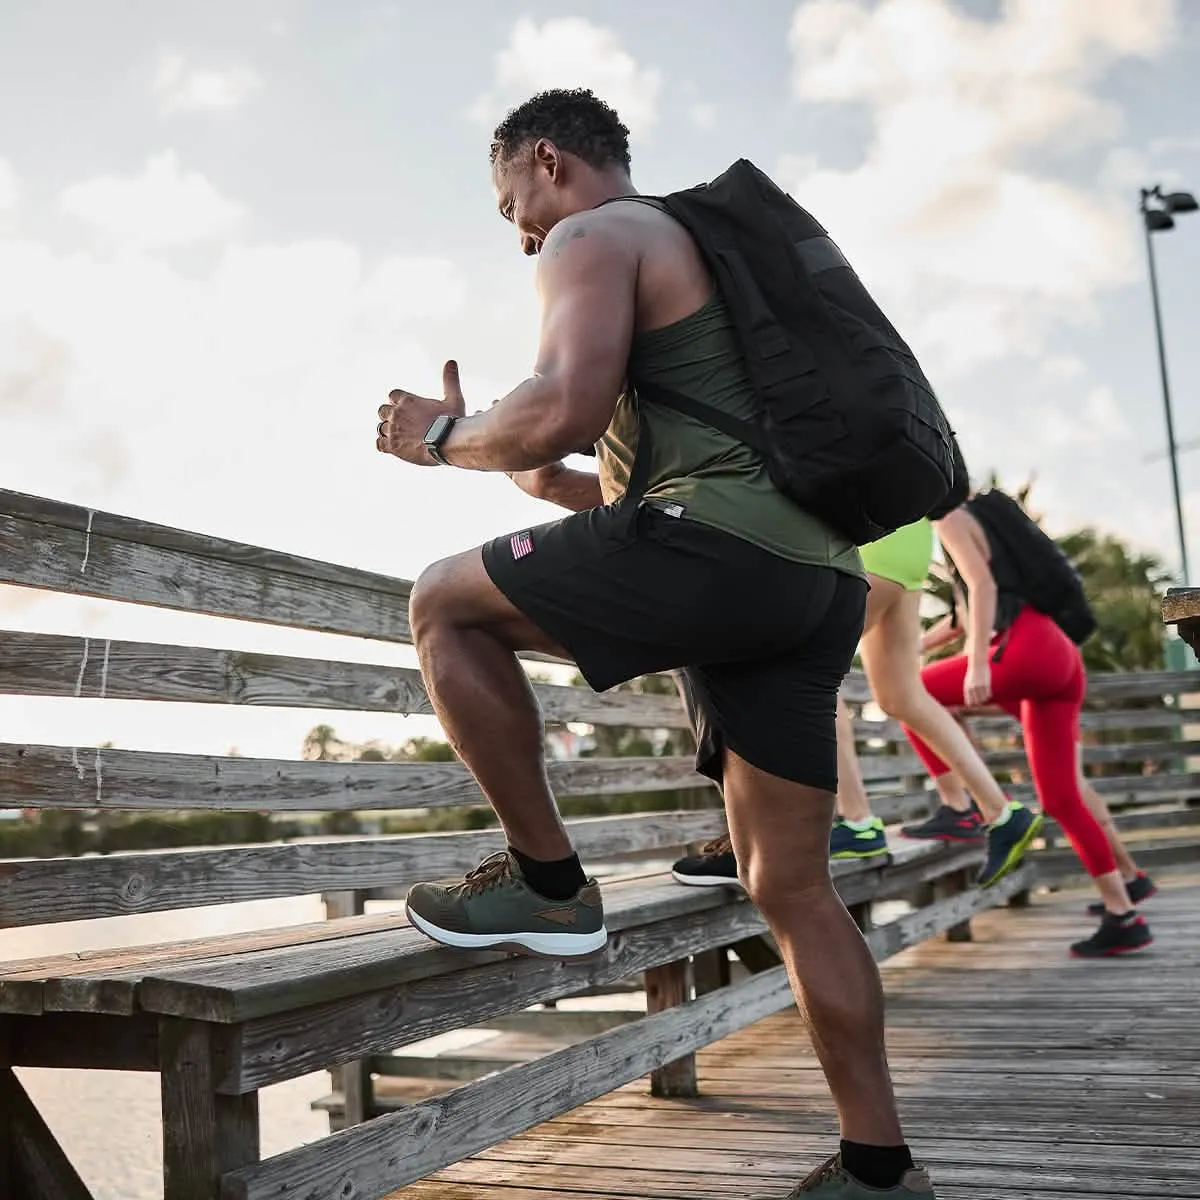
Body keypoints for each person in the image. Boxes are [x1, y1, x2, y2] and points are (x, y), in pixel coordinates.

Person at [376, 89, 936, 1198]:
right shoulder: (709, 260)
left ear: (549, 162)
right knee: (794, 888)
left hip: (723, 554)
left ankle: (547, 884)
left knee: (443, 602)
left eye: (513, 208)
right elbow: (584, 467)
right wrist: (522, 458)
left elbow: (563, 410)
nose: (524, 235)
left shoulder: (597, 233)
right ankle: (882, 1171)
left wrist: (439, 439)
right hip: (815, 577)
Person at [672, 513, 1043, 888]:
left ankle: (858, 822)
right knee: (904, 696)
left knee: (801, 672)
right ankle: (1002, 812)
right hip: (910, 538)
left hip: (868, 544)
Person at [913, 488, 1154, 957]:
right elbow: (963, 615)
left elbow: (981, 587)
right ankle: (1124, 912)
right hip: (1058, 654)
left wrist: (978, 662)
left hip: (1021, 648)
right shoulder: (989, 520)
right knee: (1062, 798)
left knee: (911, 693)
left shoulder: (948, 517)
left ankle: (961, 808)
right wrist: (920, 648)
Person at [920, 711, 1157, 913]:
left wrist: (978, 663)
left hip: (1033, 670)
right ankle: (1128, 878)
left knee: (926, 696)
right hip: (1059, 676)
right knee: (1074, 786)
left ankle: (970, 800)